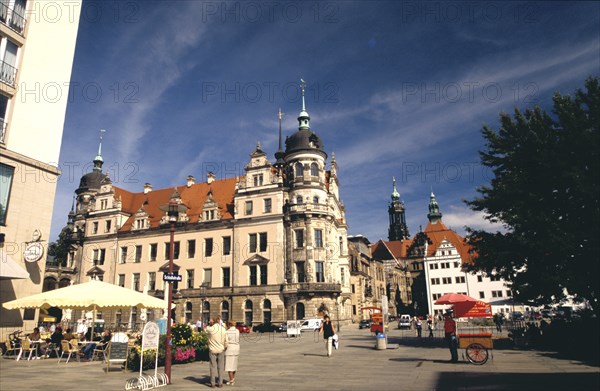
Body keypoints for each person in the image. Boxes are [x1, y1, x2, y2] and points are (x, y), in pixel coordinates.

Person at [206, 317, 228, 388]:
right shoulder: (223, 329)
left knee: (212, 367)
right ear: (219, 321)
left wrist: (210, 324)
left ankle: (212, 383)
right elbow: (226, 340)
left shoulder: (210, 329)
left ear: (213, 322)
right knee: (220, 367)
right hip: (221, 349)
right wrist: (225, 347)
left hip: (212, 350)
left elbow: (206, 329)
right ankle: (220, 383)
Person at [224, 320, 240, 386]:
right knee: (234, 365)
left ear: (229, 325)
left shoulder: (227, 332)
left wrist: (224, 347)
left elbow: (226, 342)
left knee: (229, 366)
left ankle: (231, 380)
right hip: (236, 348)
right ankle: (233, 379)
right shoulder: (237, 331)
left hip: (229, 349)